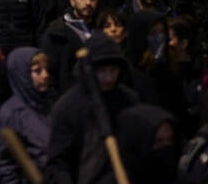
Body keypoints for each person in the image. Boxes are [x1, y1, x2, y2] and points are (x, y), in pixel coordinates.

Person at [46, 32, 139, 184]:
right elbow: (58, 163)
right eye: (102, 71)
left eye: (113, 70)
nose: (108, 78)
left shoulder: (128, 99)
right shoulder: (68, 107)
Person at [0, 48, 52, 184]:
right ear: (22, 75)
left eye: (46, 69)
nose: (45, 75)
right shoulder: (10, 114)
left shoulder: (48, 105)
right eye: (37, 71)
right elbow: (5, 166)